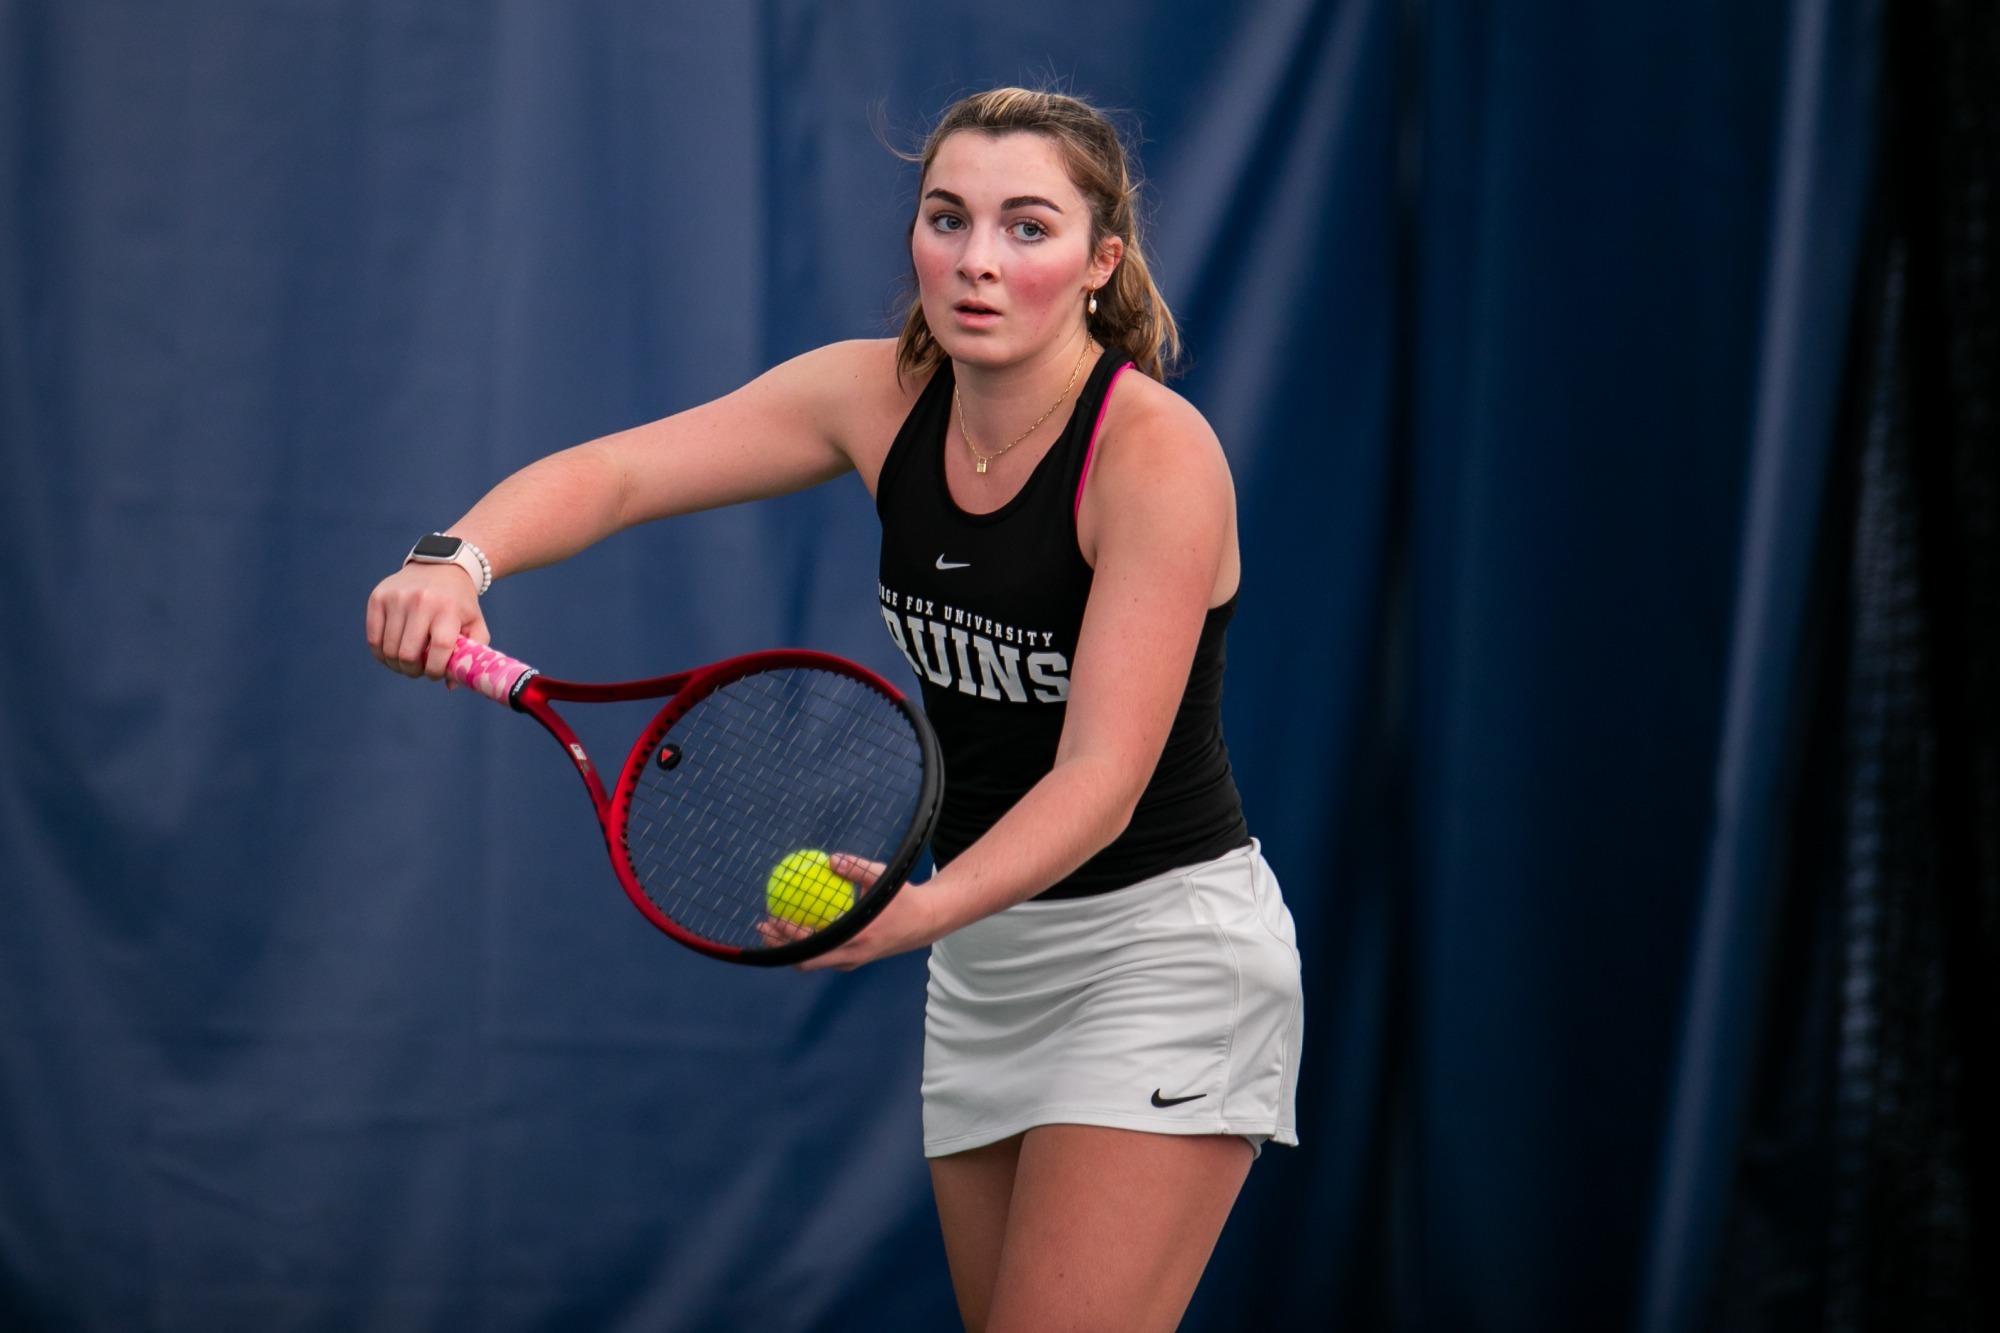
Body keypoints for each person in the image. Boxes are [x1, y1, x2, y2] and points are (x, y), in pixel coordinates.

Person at [366, 86, 1302, 1333]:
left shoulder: (1153, 456)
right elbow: (622, 470)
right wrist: (456, 558)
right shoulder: (876, 395)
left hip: (1158, 951)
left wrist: (920, 909)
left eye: (1026, 227)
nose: (975, 259)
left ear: (1100, 262)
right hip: (986, 957)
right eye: (945, 217)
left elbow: (1101, 778)